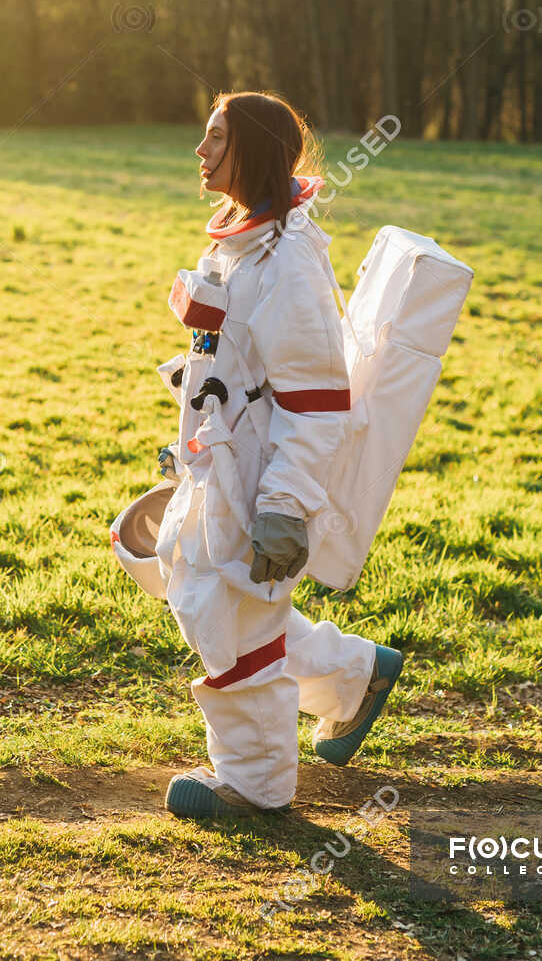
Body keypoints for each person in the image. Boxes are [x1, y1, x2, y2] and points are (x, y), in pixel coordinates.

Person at [150, 90, 402, 819]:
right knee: (208, 595)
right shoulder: (241, 242)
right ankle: (353, 674)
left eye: (215, 138)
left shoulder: (287, 262)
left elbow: (317, 401)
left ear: (252, 151)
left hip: (258, 480)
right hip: (223, 463)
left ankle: (256, 782)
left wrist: (284, 508)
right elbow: (240, 359)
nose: (200, 152)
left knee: (225, 615)